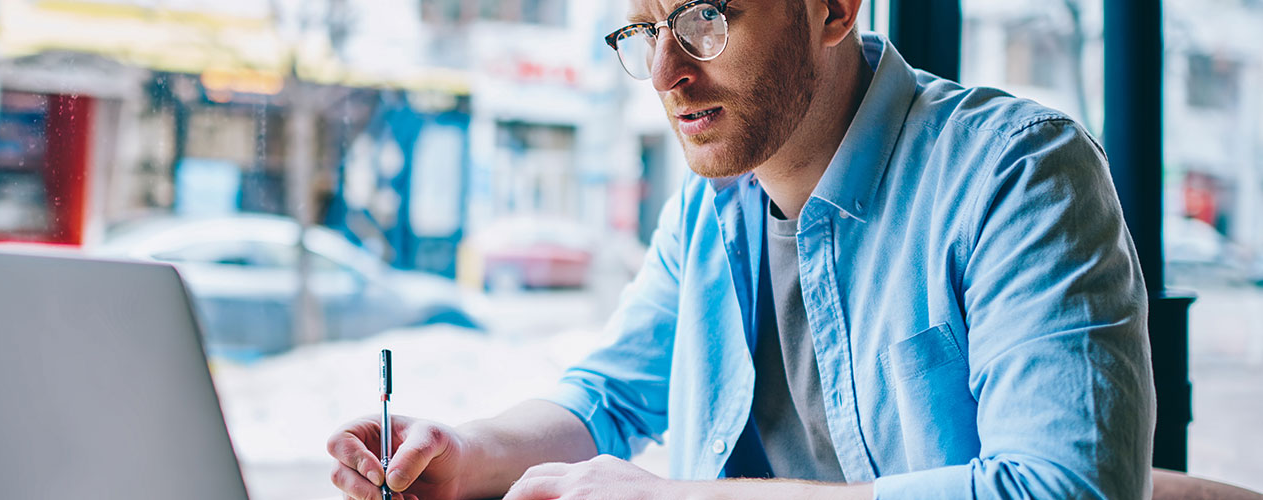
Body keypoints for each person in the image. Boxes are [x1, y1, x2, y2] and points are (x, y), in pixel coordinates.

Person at [327, 0, 1154, 498]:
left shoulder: (1018, 172)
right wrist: (464, 455)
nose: (662, 71)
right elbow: (605, 400)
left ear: (834, 7)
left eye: (703, 18)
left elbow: (1065, 490)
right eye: (644, 28)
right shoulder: (709, 211)